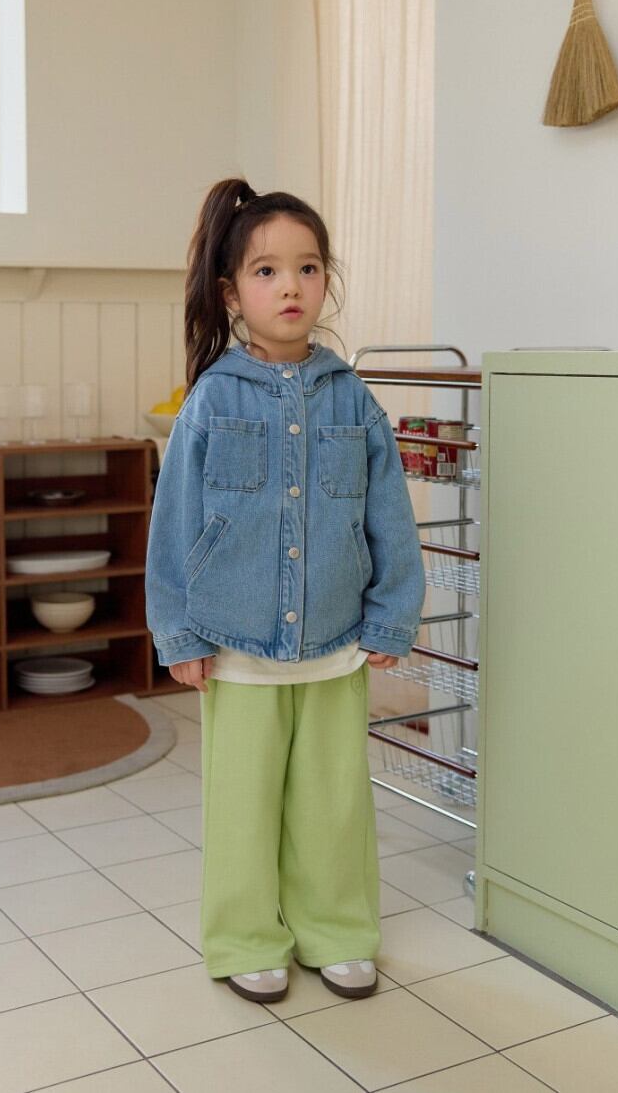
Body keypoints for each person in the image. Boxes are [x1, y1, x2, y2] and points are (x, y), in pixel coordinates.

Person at [145, 177, 425, 1004]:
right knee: (243, 804)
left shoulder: (353, 398)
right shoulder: (211, 398)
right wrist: (179, 632)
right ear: (233, 293)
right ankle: (245, 938)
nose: (291, 286)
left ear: (325, 280)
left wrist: (391, 614)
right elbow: (175, 521)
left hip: (336, 639)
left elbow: (389, 516)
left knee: (333, 804)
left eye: (307, 267)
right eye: (267, 271)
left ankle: (336, 930)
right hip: (236, 641)